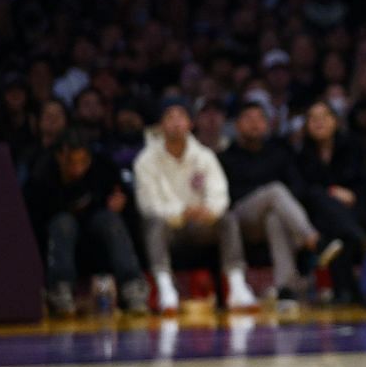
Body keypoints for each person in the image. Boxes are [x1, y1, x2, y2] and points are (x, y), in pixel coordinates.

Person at [134, 97, 250, 312]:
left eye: (181, 117)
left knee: (227, 218)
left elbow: (219, 194)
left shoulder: (204, 156)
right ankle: (165, 289)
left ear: (190, 123)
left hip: (200, 225)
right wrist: (182, 211)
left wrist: (209, 211)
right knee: (154, 223)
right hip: (170, 226)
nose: (176, 122)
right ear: (160, 125)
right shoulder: (145, 160)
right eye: (170, 117)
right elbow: (147, 204)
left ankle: (237, 286)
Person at [221, 101, 335, 308]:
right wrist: (263, 196)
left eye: (259, 119)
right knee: (274, 191)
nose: (254, 124)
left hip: (274, 216)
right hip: (239, 220)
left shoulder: (279, 152)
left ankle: (286, 288)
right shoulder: (227, 156)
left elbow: (298, 186)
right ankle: (314, 241)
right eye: (248, 119)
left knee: (274, 217)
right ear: (237, 125)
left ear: (267, 124)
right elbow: (226, 196)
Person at [25, 130, 149, 317]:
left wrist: (121, 203)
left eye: (82, 162)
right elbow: (35, 219)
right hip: (59, 233)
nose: (77, 168)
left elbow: (122, 198)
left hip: (96, 228)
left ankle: (132, 287)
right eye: (71, 162)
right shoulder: (42, 173)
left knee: (110, 220)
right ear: (59, 157)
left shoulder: (103, 166)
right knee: (63, 223)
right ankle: (60, 290)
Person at [292, 99, 366, 304]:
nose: (318, 122)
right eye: (313, 118)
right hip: (317, 217)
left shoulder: (355, 147)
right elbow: (302, 191)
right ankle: (360, 241)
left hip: (354, 211)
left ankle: (343, 292)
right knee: (321, 201)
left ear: (335, 121)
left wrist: (351, 195)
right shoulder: (301, 155)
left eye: (324, 117)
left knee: (336, 237)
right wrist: (331, 192)